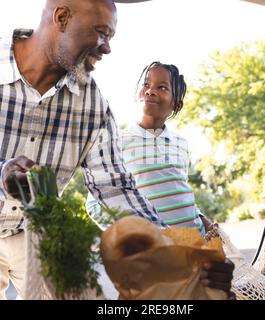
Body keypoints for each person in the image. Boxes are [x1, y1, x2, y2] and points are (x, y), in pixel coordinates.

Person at [0, 0, 167, 300]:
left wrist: (171, 246)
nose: (107, 48)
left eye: (110, 38)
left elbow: (115, 186)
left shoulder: (93, 105)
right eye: (101, 33)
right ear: (61, 17)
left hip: (39, 237)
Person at [86, 61, 234, 297]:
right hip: (150, 255)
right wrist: (133, 236)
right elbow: (94, 203)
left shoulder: (181, 144)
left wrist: (203, 223)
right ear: (137, 94)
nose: (151, 90)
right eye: (146, 84)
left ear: (176, 103)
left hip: (192, 247)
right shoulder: (117, 143)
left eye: (162, 87)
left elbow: (179, 192)